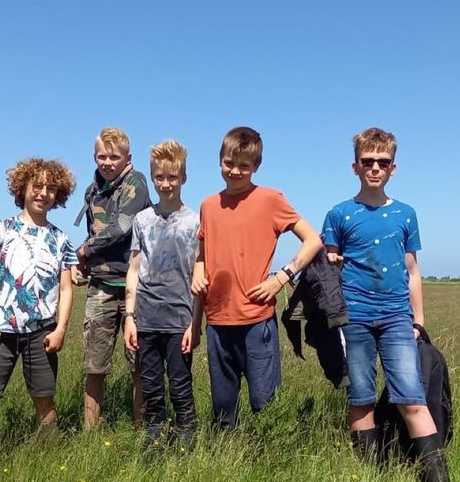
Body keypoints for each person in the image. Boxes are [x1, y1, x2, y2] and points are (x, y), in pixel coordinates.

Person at [322, 127, 451, 482]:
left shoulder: (405, 214)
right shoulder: (339, 214)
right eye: (368, 162)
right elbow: (329, 272)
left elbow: (412, 270)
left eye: (382, 162)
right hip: (355, 318)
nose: (375, 168)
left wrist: (418, 321)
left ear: (394, 167)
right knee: (360, 398)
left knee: (412, 399)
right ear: (355, 166)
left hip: (396, 317)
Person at [191, 126, 323, 429]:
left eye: (244, 166)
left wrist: (281, 278)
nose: (235, 171)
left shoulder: (270, 199)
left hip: (256, 318)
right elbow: (202, 254)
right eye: (228, 163)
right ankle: (227, 463)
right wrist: (199, 273)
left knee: (265, 403)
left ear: (256, 167)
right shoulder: (209, 205)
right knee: (223, 408)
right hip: (218, 320)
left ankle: (268, 458)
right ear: (219, 160)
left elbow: (313, 240)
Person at [0, 159, 78, 467]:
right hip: (1, 331)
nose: (43, 194)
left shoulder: (61, 240)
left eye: (50, 189)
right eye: (37, 186)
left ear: (57, 195)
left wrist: (60, 328)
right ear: (22, 188)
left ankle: (52, 468)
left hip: (42, 332)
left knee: (45, 401)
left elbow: (65, 289)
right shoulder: (1, 230)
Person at [123, 140, 203, 450]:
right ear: (153, 178)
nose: (165, 184)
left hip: (180, 318)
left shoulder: (195, 221)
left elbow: (199, 274)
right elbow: (133, 269)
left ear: (183, 177)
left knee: (181, 387)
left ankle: (187, 444)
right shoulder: (143, 220)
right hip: (146, 317)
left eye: (172, 177)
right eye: (159, 177)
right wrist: (130, 318)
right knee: (152, 388)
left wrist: (194, 325)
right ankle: (154, 442)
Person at [75, 128, 153, 429]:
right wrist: (85, 262)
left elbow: (122, 226)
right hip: (101, 286)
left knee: (139, 362)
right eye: (102, 156)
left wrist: (84, 251)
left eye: (114, 157)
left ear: (128, 158)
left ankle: (142, 429)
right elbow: (93, 231)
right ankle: (89, 434)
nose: (107, 162)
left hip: (136, 286)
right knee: (94, 364)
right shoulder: (92, 189)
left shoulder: (136, 183)